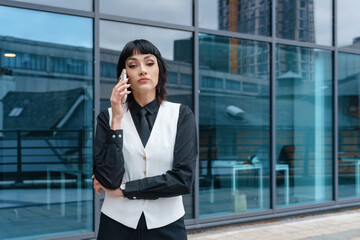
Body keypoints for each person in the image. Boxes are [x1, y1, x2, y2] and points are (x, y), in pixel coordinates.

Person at [93, 39, 198, 240]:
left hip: (168, 225)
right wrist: (116, 119)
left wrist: (126, 189)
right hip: (116, 224)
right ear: (124, 76)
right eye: (133, 65)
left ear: (160, 70)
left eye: (149, 63)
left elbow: (183, 179)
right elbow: (108, 179)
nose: (142, 70)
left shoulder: (181, 115)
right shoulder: (107, 117)